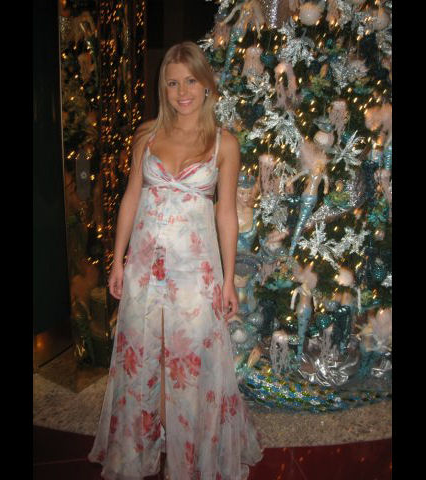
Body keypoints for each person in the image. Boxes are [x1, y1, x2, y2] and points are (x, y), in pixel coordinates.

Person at [88, 41, 264, 480]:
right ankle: (144, 448)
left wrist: (228, 279)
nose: (182, 92)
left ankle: (188, 458)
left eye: (190, 81)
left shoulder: (224, 144)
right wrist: (118, 260)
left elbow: (226, 213)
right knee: (143, 358)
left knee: (189, 366)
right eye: (172, 83)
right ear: (162, 88)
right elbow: (131, 198)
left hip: (195, 274)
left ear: (206, 86)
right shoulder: (146, 135)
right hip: (145, 268)